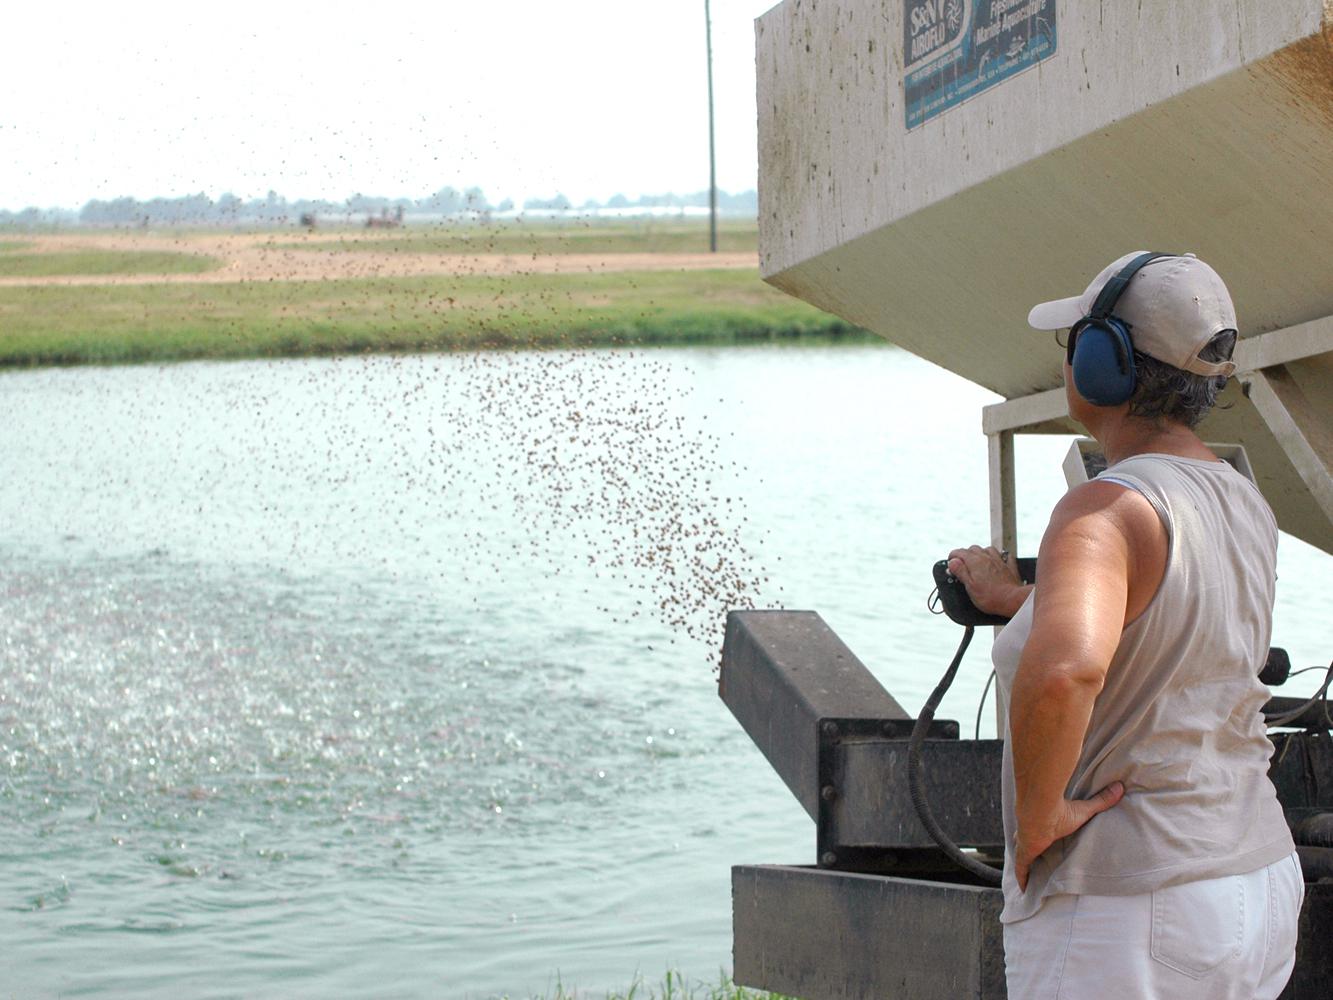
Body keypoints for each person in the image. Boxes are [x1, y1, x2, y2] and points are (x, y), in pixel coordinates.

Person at [947, 251, 1304, 999]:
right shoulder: (1241, 500)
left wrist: (1040, 817)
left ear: (1103, 361)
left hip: (1130, 898)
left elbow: (1067, 670)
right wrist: (1018, 603)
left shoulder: (1100, 507)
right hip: (1253, 874)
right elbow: (1160, 620)